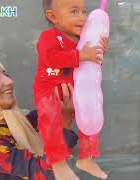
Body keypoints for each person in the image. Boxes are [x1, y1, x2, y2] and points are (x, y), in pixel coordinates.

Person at [33, 0, 109, 179]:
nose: (83, 17)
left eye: (84, 11)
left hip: (75, 90)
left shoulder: (83, 40)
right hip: (49, 91)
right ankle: (58, 164)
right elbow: (50, 58)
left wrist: (99, 52)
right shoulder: (48, 37)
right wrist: (81, 55)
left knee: (91, 117)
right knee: (51, 123)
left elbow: (90, 66)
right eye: (74, 12)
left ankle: (87, 158)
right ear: (53, 17)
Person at [0, 54, 79, 180]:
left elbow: (49, 112)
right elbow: (43, 173)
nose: (9, 81)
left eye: (5, 74)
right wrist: (64, 126)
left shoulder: (17, 120)